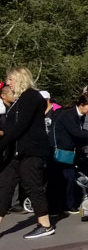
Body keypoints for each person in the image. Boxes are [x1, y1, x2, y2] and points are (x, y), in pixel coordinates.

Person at [0, 67, 56, 238]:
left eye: (10, 79)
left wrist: (1, 144)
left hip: (32, 151)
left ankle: (45, 225)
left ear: (19, 78)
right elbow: (10, 126)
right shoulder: (17, 101)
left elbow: (21, 126)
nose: (7, 83)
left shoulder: (31, 97)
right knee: (4, 186)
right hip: (16, 153)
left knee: (33, 186)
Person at [51, 93, 88, 213]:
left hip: (70, 152)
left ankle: (67, 204)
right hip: (60, 151)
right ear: (82, 105)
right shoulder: (68, 115)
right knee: (62, 179)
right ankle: (59, 207)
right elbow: (76, 132)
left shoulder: (80, 115)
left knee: (69, 178)